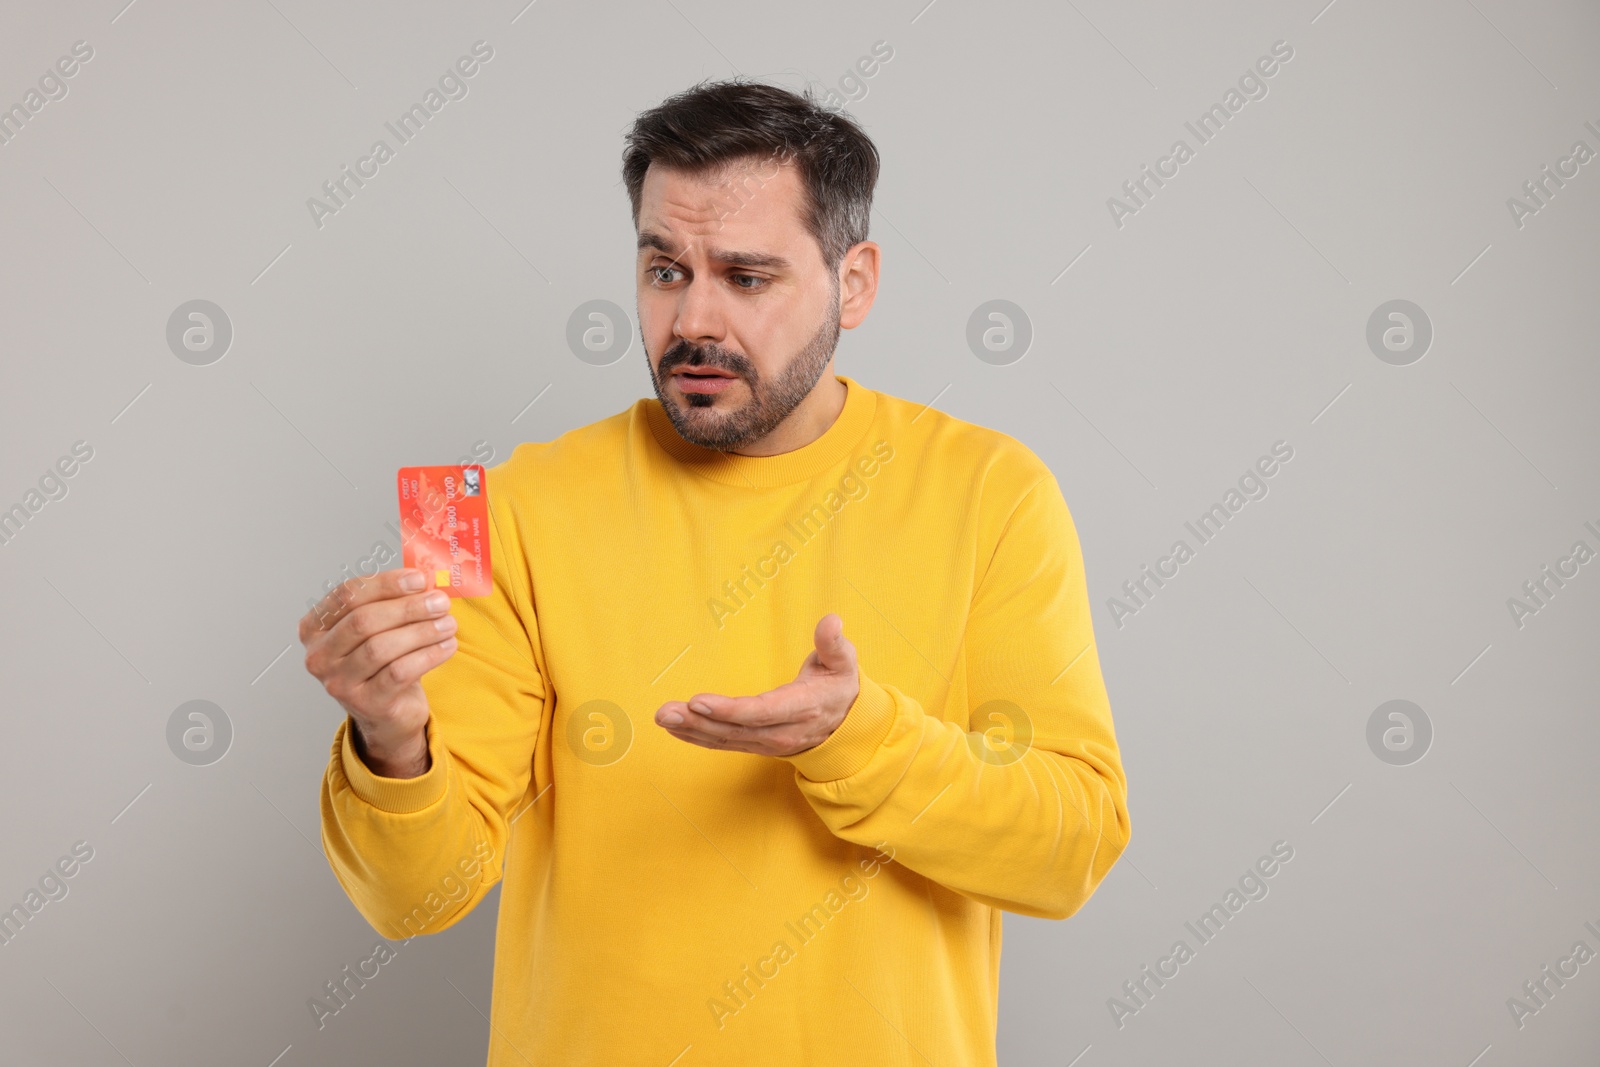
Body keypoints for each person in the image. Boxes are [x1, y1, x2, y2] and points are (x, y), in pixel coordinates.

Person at [301, 78, 1131, 1066]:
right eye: (663, 269)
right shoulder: (506, 508)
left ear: (853, 282)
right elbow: (415, 899)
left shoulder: (993, 490)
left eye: (745, 277)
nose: (692, 319)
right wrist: (391, 738)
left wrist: (859, 739)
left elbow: (1070, 849)